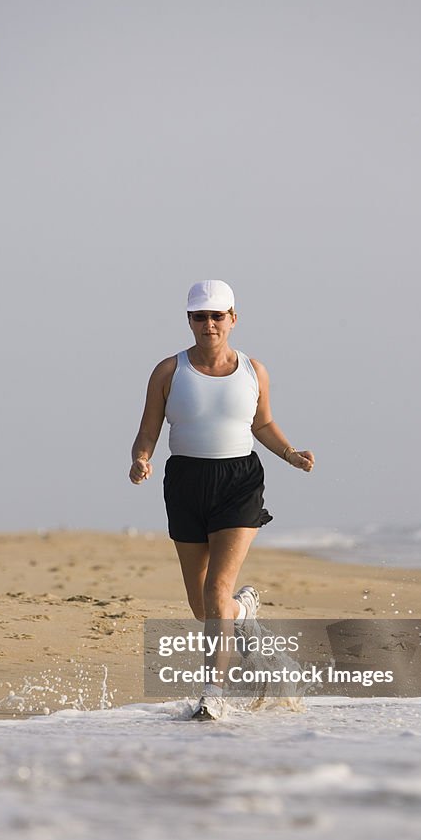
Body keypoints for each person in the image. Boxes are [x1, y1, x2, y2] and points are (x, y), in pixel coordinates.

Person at [129, 279, 314, 719]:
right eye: (200, 316)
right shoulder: (168, 371)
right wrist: (140, 458)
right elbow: (149, 428)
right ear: (189, 321)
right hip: (186, 482)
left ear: (233, 318)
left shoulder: (254, 371)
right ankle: (242, 610)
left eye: (217, 315)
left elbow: (263, 424)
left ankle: (214, 694)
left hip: (238, 481)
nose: (209, 324)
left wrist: (289, 453)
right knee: (204, 609)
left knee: (216, 589)